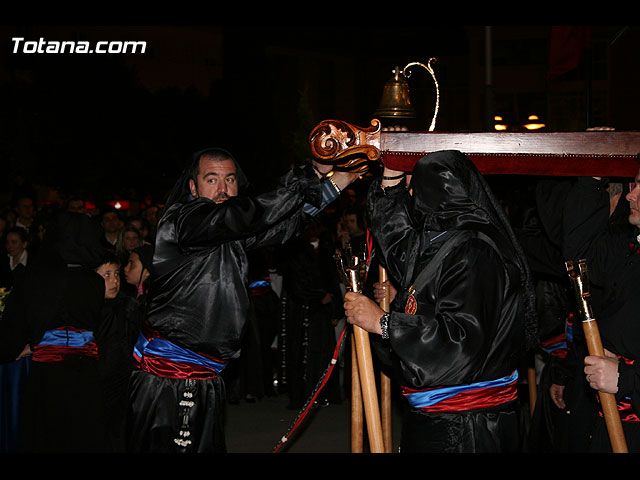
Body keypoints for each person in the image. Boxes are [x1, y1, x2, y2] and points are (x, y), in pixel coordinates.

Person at [127, 147, 358, 453]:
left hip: (203, 376)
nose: (223, 190)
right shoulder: (184, 220)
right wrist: (312, 171)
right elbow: (248, 214)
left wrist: (340, 179)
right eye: (212, 180)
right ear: (193, 187)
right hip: (167, 379)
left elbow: (283, 225)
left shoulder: (229, 231)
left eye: (230, 180)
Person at [344, 150, 538, 453]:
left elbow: (459, 344)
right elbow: (398, 246)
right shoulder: (443, 242)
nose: (409, 194)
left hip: (468, 427)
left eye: (413, 185)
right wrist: (391, 177)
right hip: (442, 419)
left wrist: (383, 323)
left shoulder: (474, 251)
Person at [0, 211, 111, 452]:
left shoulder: (36, 277)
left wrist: (19, 346)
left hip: (48, 371)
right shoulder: (94, 281)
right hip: (85, 370)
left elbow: (17, 323)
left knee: (46, 432)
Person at [562, 169, 640, 452]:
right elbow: (580, 258)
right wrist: (591, 179)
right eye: (635, 184)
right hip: (613, 419)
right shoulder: (630, 245)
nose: (630, 195)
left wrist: (628, 379)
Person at [94, 250, 143, 452]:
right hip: (97, 380)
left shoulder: (127, 306)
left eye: (116, 274)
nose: (114, 280)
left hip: (122, 378)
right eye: (107, 275)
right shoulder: (89, 309)